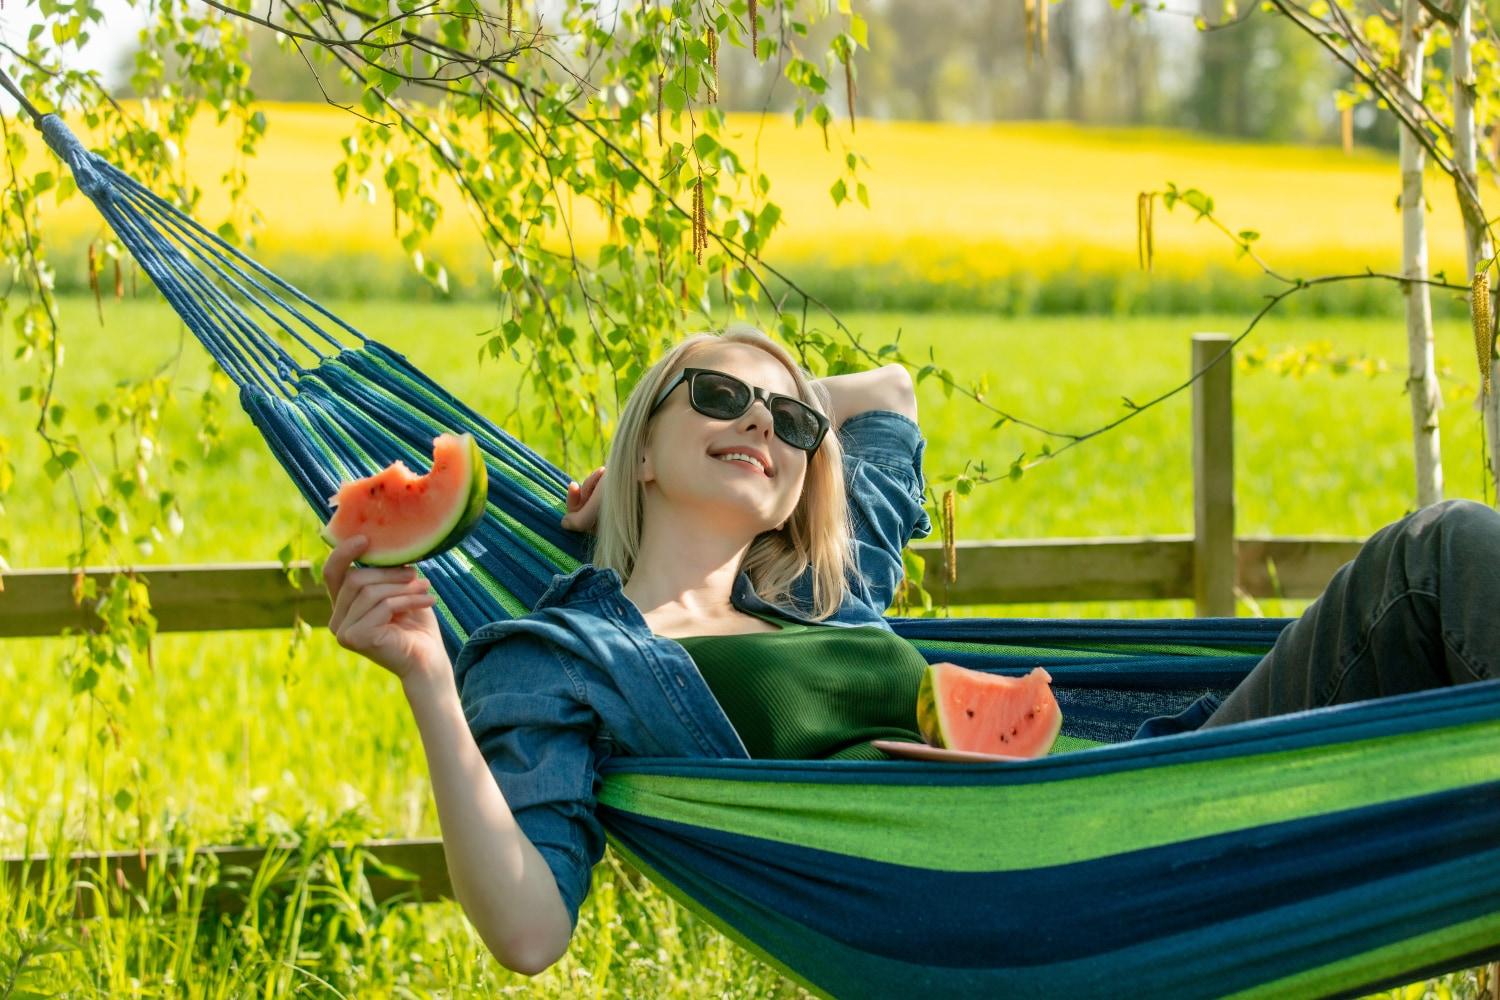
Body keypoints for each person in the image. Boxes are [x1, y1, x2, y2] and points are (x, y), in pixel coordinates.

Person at [320, 323, 1500, 975]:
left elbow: (884, 391)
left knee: (1438, 565)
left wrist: (786, 409)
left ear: (799, 485)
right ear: (643, 441)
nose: (758, 427)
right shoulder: (566, 653)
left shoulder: (822, 590)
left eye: (784, 424)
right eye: (718, 396)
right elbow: (529, 931)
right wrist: (429, 675)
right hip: (1057, 872)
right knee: (1437, 553)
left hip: (1164, 785)